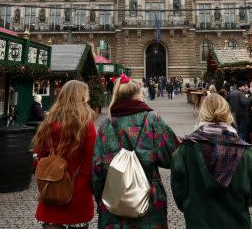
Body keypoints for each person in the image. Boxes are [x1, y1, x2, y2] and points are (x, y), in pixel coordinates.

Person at [92, 74, 179, 229]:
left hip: (113, 206)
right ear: (138, 95)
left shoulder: (105, 125)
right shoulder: (153, 119)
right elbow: (174, 157)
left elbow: (97, 168)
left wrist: (101, 198)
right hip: (150, 204)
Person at [171, 93, 252, 229]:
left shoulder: (183, 152)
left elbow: (179, 193)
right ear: (227, 113)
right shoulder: (247, 155)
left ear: (202, 113)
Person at [32, 80, 97, 229]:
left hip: (51, 188)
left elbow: (39, 155)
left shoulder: (49, 122)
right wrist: (82, 182)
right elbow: (91, 158)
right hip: (77, 192)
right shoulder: (86, 124)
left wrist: (47, 174)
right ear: (81, 97)